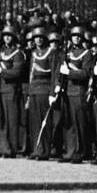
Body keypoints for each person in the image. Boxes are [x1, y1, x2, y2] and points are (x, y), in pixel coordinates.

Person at [24, 27, 61, 159]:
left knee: (44, 122)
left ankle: (44, 151)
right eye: (36, 37)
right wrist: (29, 93)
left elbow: (55, 73)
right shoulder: (33, 53)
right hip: (34, 89)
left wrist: (52, 92)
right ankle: (36, 148)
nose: (38, 40)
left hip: (45, 90)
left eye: (41, 37)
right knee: (34, 122)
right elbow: (31, 74)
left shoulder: (51, 52)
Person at [60, 26, 94, 163]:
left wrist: (70, 73)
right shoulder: (67, 53)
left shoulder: (86, 54)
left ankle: (80, 152)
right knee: (68, 124)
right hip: (67, 90)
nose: (76, 38)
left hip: (78, 91)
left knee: (79, 123)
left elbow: (86, 73)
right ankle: (69, 151)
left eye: (79, 36)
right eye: (74, 36)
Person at [0, 25, 26, 158]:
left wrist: (1, 71)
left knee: (12, 119)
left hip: (11, 89)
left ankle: (11, 148)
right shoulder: (0, 53)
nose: (7, 38)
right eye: (5, 36)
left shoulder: (17, 53)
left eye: (9, 36)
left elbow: (16, 73)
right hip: (1, 88)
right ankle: (2, 147)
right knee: (1, 119)